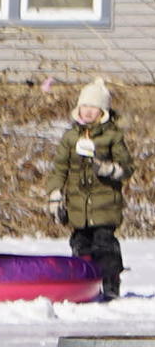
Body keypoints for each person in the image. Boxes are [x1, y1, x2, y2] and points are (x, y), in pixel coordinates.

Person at [51, 78, 134, 302]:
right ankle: (84, 286)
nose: (87, 112)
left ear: (102, 111)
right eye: (84, 106)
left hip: (105, 205)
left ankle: (110, 285)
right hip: (79, 207)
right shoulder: (70, 138)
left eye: (93, 107)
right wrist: (55, 193)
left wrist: (110, 169)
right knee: (80, 244)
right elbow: (60, 168)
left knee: (104, 244)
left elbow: (127, 167)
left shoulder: (112, 137)